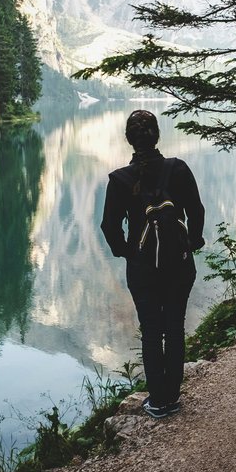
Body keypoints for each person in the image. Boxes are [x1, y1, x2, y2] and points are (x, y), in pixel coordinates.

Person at [101, 110, 205, 418]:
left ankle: (158, 400)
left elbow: (109, 226)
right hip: (179, 263)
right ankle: (172, 396)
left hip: (142, 268)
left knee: (151, 330)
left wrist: (126, 252)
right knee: (174, 327)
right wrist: (193, 242)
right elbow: (196, 210)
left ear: (130, 140)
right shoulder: (178, 169)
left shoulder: (120, 180)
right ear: (156, 136)